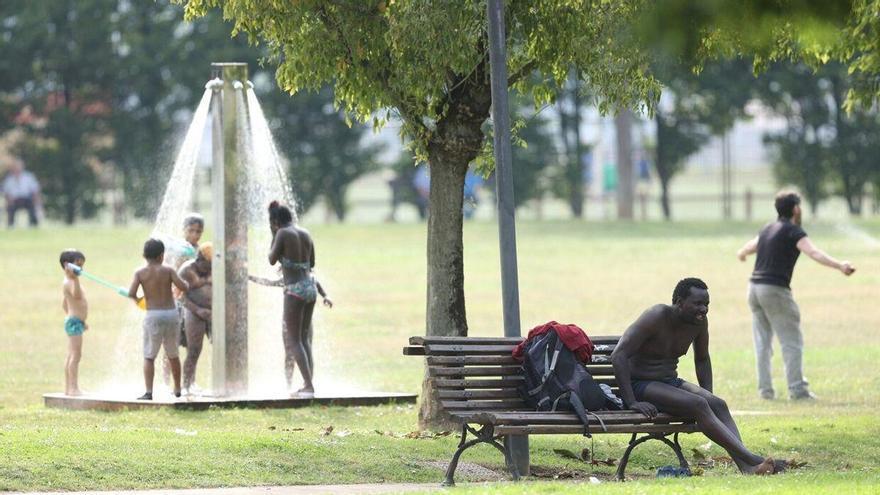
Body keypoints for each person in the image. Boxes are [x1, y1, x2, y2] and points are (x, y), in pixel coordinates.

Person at [611, 278, 784, 475]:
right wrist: (631, 401)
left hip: (669, 383)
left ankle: (746, 466)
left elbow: (702, 359)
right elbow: (618, 355)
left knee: (717, 403)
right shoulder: (656, 316)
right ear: (679, 301)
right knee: (699, 404)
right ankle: (753, 459)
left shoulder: (698, 324)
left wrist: (706, 395)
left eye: (707, 304)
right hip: (641, 385)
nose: (703, 309)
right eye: (697, 303)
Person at [736, 191, 855, 401]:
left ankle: (765, 391)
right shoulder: (794, 231)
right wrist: (840, 265)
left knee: (762, 343)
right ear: (796, 209)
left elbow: (748, 247)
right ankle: (797, 390)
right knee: (791, 341)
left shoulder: (767, 228)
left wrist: (742, 254)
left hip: (753, 288)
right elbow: (814, 253)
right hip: (774, 290)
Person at [267, 200, 318, 398]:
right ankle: (309, 383)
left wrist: (274, 235)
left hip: (294, 290)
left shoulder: (281, 233)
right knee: (304, 339)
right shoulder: (305, 233)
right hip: (310, 288)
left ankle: (308, 385)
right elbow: (311, 262)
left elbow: (271, 259)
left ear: (276, 221)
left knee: (293, 339)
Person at [128, 239, 190, 400]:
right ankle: (177, 389)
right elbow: (182, 286)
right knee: (173, 354)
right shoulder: (168, 270)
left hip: (153, 314)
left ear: (144, 255)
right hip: (171, 313)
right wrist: (187, 285)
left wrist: (139, 300)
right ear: (162, 256)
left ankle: (149, 392)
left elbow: (131, 293)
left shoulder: (140, 273)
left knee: (149, 356)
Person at [177, 243, 213, 395]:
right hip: (194, 311)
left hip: (213, 312)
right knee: (194, 350)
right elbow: (180, 296)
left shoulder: (214, 267)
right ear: (199, 259)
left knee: (221, 347)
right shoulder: (187, 270)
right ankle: (186, 386)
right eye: (208, 265)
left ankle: (197, 383)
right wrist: (197, 310)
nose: (210, 268)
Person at [60, 249, 88, 396]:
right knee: (75, 356)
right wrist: (76, 279)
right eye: (78, 265)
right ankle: (73, 388)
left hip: (75, 322)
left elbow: (65, 304)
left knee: (72, 355)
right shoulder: (70, 282)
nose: (80, 269)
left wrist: (80, 320)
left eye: (82, 266)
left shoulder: (68, 282)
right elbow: (77, 297)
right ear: (67, 265)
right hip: (74, 323)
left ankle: (68, 388)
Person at [3, 156, 41, 228]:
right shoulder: (9, 179)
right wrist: (8, 200)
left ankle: (33, 225)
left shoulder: (29, 177)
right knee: (10, 207)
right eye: (16, 166)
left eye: (19, 166)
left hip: (27, 199)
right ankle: (10, 225)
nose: (17, 168)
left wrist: (37, 202)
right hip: (14, 200)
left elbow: (35, 191)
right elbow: (6, 193)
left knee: (32, 205)